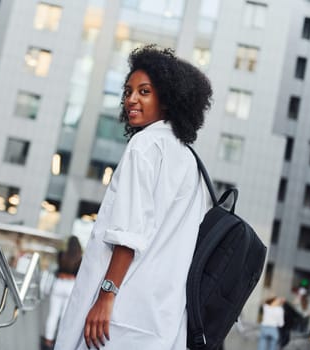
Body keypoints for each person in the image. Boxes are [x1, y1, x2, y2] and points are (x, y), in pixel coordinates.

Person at [54, 45, 213, 350]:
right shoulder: (190, 161)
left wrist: (105, 295)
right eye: (127, 91)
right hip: (162, 319)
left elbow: (129, 233)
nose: (131, 100)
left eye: (144, 91)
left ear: (167, 100)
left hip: (120, 310)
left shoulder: (145, 146)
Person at [42, 236, 83, 350]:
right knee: (65, 317)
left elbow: (58, 270)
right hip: (71, 287)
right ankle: (60, 343)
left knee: (53, 315)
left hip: (59, 284)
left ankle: (48, 341)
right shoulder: (80, 258)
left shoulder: (61, 255)